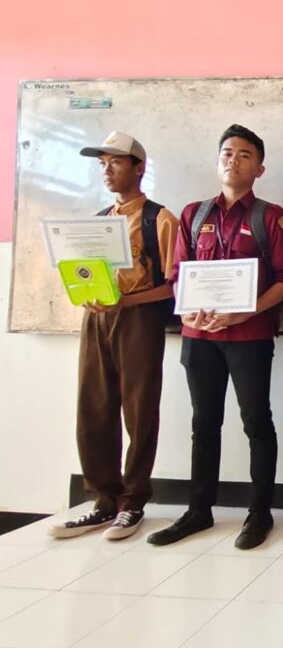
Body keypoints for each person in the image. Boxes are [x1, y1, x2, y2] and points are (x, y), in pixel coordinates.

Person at [148, 124, 283, 550]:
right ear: (218, 161)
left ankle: (260, 513)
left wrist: (246, 310)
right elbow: (178, 275)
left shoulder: (270, 217)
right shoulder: (193, 214)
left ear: (260, 168)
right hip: (199, 337)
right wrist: (188, 308)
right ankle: (198, 511)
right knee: (203, 423)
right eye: (227, 153)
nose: (234, 160)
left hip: (250, 337)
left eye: (245, 155)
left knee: (256, 422)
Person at [48, 132, 178, 541]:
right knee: (93, 406)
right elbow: (84, 270)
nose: (107, 170)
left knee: (139, 410)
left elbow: (176, 284)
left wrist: (128, 301)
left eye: (116, 162)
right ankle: (102, 500)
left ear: (139, 168)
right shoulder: (98, 221)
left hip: (138, 318)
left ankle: (132, 501)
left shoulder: (160, 219)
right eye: (102, 164)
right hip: (97, 318)